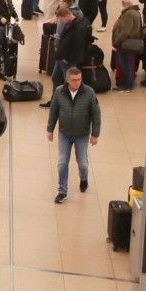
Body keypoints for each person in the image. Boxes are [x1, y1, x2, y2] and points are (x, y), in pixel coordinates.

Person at [46, 67, 101, 204]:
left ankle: (83, 178)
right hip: (64, 133)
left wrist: (95, 134)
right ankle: (62, 191)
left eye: (79, 79)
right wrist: (50, 129)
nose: (77, 82)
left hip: (82, 135)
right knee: (62, 162)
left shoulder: (89, 92)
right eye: (74, 80)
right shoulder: (59, 92)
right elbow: (53, 111)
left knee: (82, 163)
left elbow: (96, 114)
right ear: (67, 80)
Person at [111, 0, 142, 91]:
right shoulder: (136, 12)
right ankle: (128, 83)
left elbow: (125, 31)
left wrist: (116, 41)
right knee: (128, 64)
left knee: (125, 65)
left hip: (125, 44)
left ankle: (127, 85)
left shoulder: (129, 14)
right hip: (130, 42)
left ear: (123, 3)